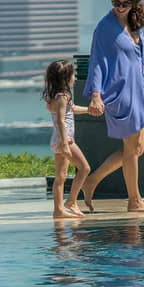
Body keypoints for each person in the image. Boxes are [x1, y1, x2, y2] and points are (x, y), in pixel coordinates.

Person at [67, 0, 144, 214]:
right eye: (115, 2)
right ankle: (135, 200)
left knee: (138, 149)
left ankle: (92, 180)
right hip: (121, 92)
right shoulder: (105, 28)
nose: (119, 7)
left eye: (124, 3)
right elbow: (97, 61)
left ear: (134, 2)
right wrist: (96, 95)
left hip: (139, 91)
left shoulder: (134, 22)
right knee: (130, 149)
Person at [41, 59, 92, 219]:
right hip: (65, 140)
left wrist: (89, 110)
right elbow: (61, 120)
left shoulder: (56, 96)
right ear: (66, 78)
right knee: (85, 169)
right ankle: (71, 201)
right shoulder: (62, 96)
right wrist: (65, 143)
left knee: (61, 176)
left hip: (57, 140)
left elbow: (72, 110)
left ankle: (58, 210)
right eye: (73, 75)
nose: (75, 78)